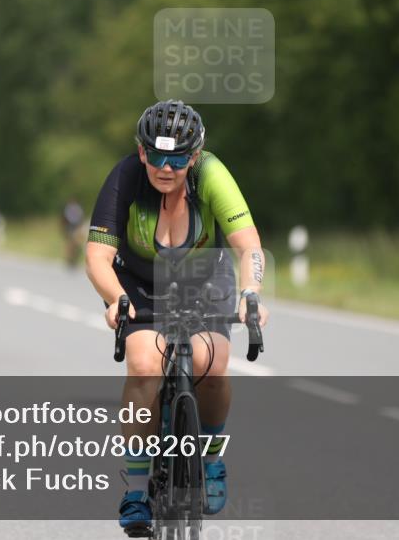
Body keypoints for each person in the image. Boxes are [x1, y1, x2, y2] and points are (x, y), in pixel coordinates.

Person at [84, 99, 270, 532]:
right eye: (157, 156)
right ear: (142, 151)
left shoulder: (211, 174)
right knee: (146, 362)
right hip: (138, 281)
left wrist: (251, 293)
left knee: (214, 363)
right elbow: (97, 257)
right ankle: (134, 487)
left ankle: (211, 458)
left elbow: (249, 245)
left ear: (196, 154)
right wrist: (115, 298)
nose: (166, 168)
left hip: (206, 279)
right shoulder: (126, 176)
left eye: (179, 158)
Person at [61, 199, 86, 267]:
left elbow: (80, 218)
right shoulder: (71, 208)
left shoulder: (75, 208)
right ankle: (70, 259)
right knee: (71, 244)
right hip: (71, 228)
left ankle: (72, 259)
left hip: (75, 228)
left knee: (74, 244)